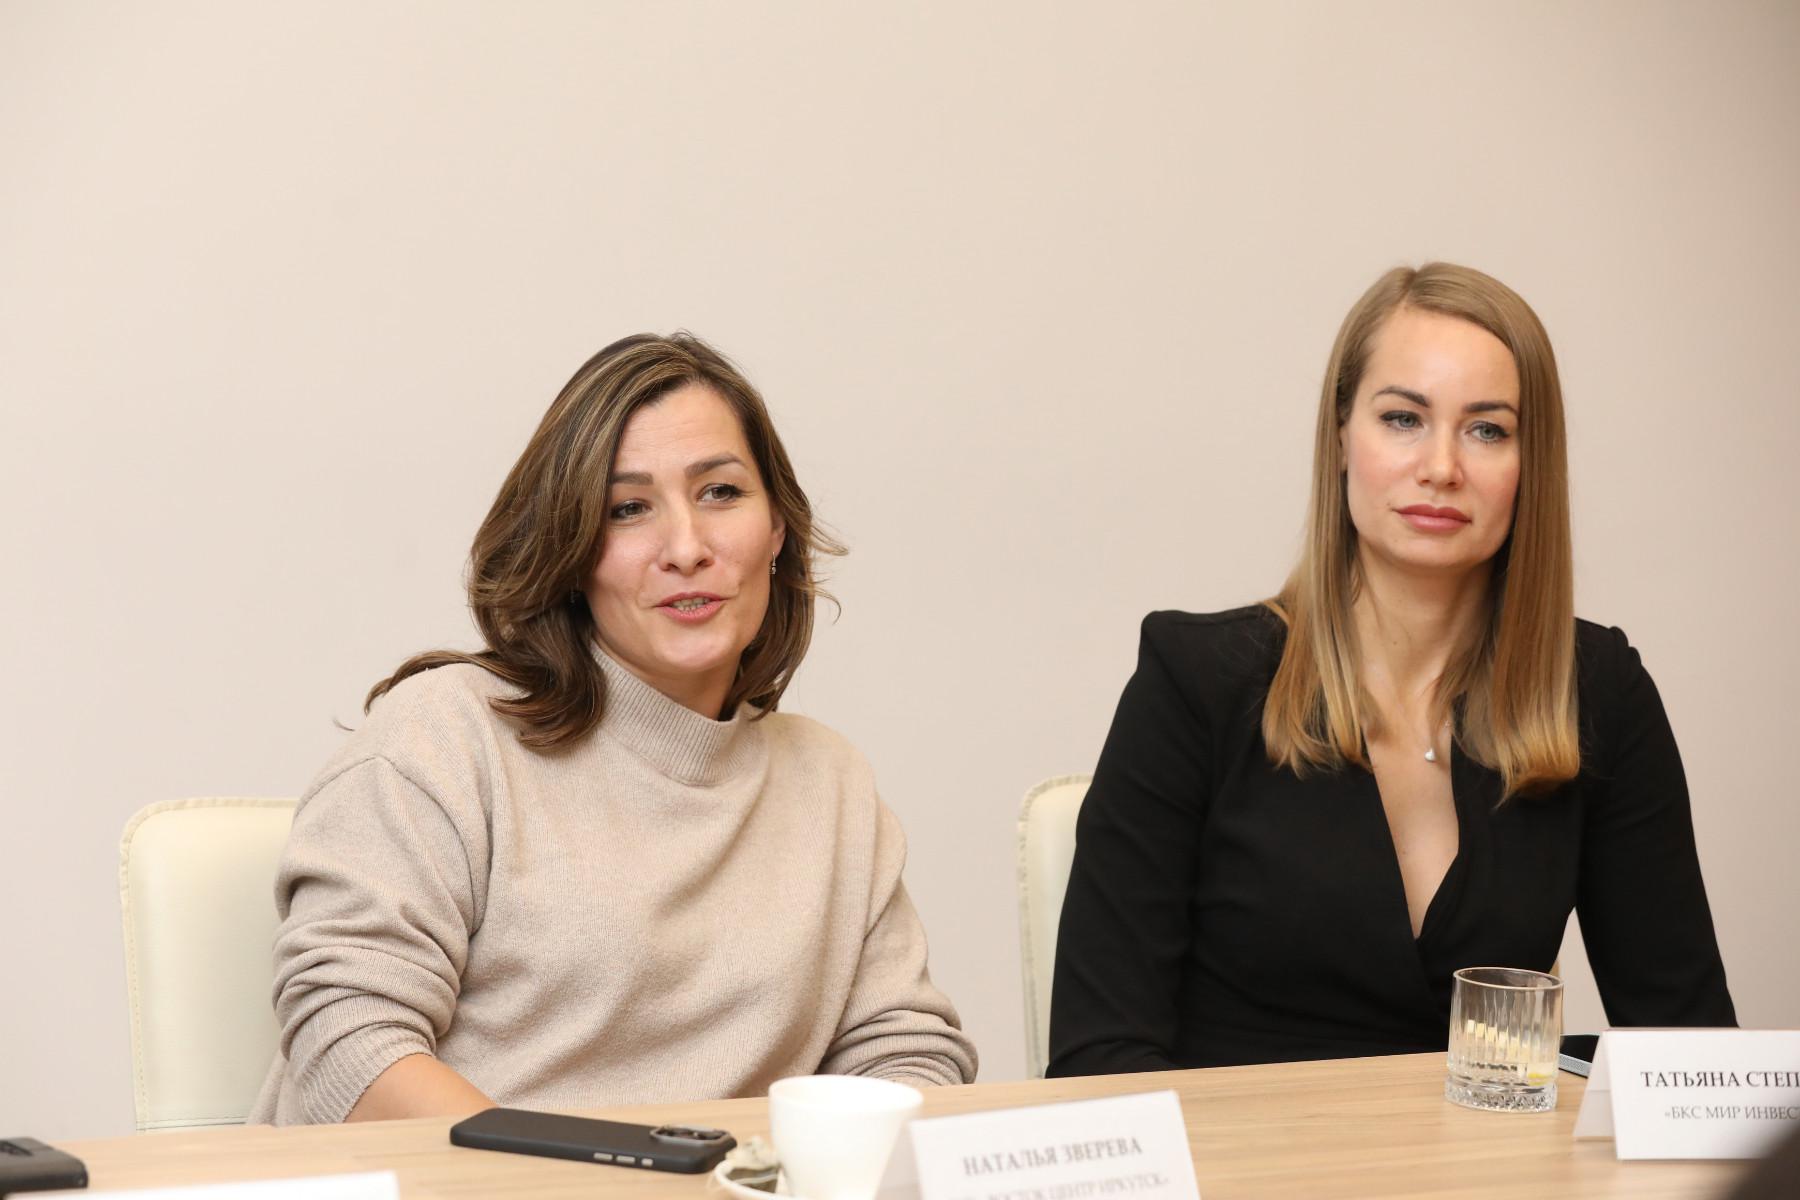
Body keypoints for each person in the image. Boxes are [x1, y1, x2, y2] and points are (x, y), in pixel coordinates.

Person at [251, 334, 977, 1125]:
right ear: (571, 551)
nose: (687, 549)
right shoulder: (442, 736)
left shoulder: (829, 782)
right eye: (628, 509)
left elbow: (906, 1052)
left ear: (776, 529)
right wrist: (579, 1175)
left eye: (721, 492)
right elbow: (348, 1040)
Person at [1047, 263, 1735, 1076]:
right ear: (1342, 436)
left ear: (1531, 463)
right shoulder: (1195, 681)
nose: (1441, 466)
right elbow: (1099, 1061)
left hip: (1487, 1153)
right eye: (1404, 418)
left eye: (1488, 430)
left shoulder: (1597, 691)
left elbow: (1692, 1059)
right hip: (1235, 1152)